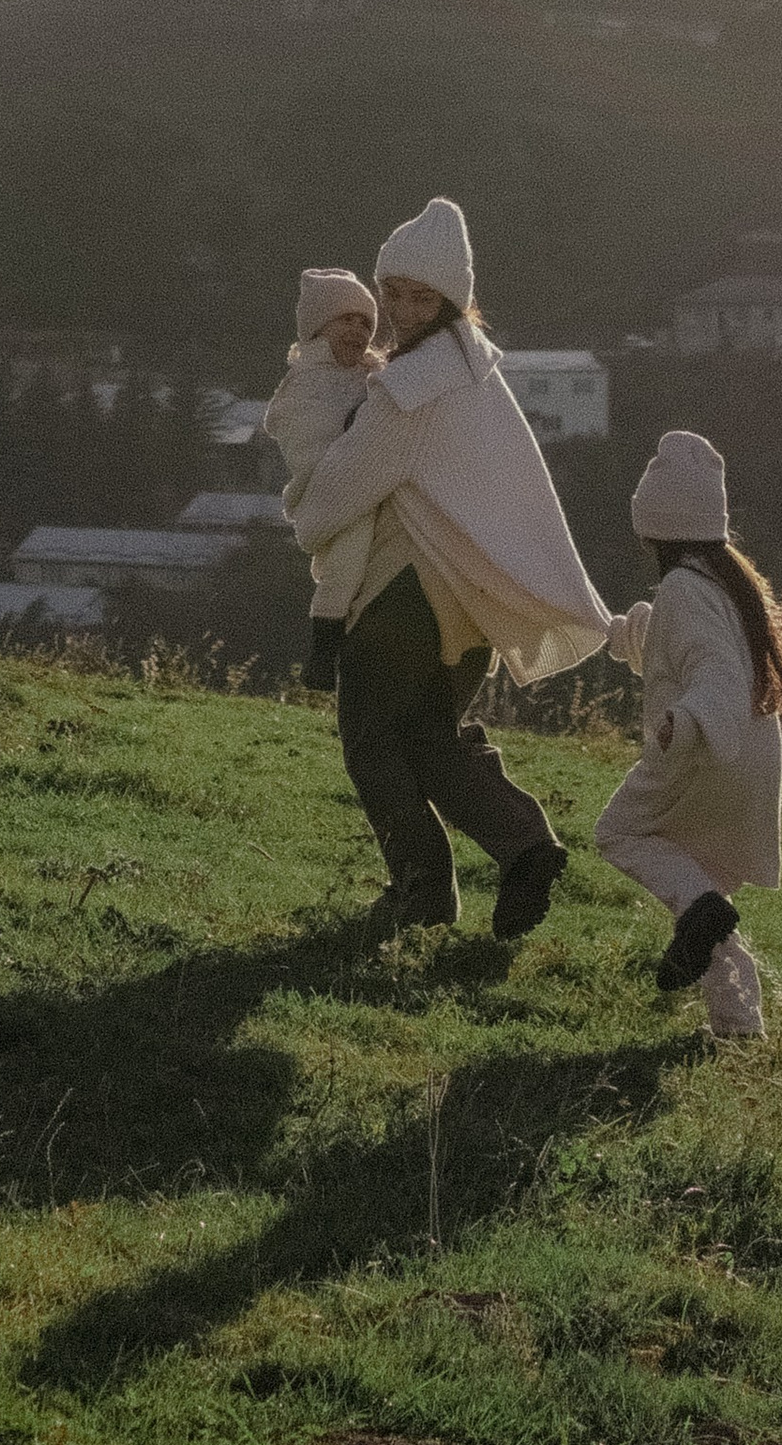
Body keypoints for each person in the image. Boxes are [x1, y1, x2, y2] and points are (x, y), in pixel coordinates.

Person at [288, 195, 612, 940]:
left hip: (406, 597)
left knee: (371, 742)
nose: (399, 310)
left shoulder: (410, 388)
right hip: (470, 601)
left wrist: (303, 514)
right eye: (391, 292)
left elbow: (337, 492)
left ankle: (423, 893)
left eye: (419, 296)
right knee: (429, 741)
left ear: (451, 300)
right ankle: (525, 845)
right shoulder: (477, 374)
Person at [593, 428, 782, 1042]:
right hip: (747, 758)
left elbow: (713, 670)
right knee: (704, 884)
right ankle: (740, 1027)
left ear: (653, 524)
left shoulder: (682, 588)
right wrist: (619, 634)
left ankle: (700, 913)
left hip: (702, 751)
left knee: (620, 833)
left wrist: (687, 719)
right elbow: (682, 647)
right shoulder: (722, 581)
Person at [262, 267, 385, 693]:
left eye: (365, 323)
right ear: (317, 328)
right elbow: (307, 434)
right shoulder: (304, 383)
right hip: (328, 488)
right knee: (347, 560)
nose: (358, 330)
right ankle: (323, 647)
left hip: (370, 478)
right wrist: (356, 425)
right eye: (346, 320)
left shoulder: (374, 375)